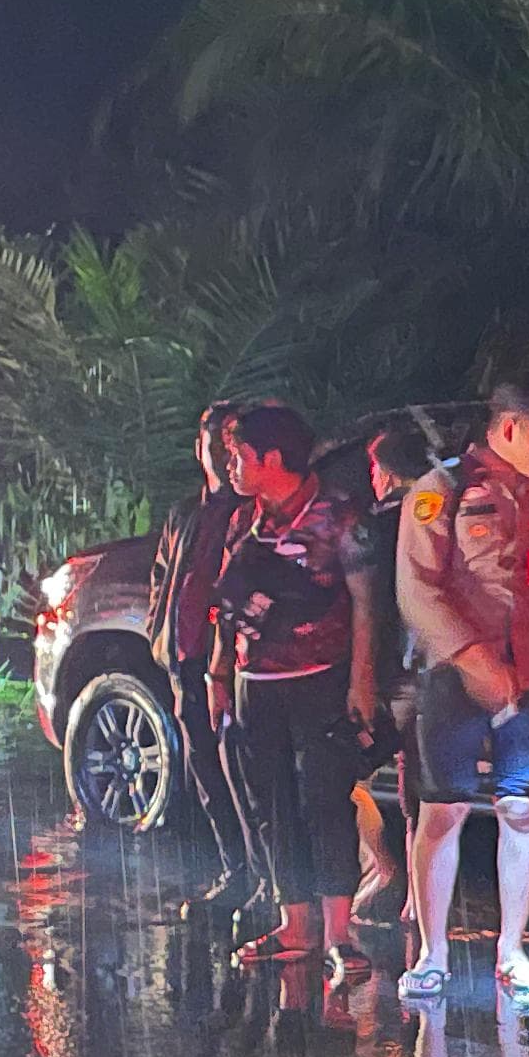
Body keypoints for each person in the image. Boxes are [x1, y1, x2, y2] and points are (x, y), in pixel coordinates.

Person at [393, 382, 529, 1003]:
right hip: (453, 676)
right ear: (507, 427)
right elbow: (418, 590)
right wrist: (472, 659)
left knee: (521, 809)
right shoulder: (442, 490)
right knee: (443, 810)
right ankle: (432, 953)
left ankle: (513, 951)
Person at [209, 403, 367, 984]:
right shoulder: (243, 521)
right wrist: (220, 675)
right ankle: (293, 925)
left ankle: (340, 936)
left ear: (270, 458)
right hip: (257, 684)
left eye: (238, 456)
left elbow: (367, 603)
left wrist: (363, 681)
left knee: (325, 801)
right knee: (270, 806)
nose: (230, 467)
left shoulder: (340, 516)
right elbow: (226, 608)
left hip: (321, 678)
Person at [151, 404, 250, 913]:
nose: (219, 453)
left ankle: (252, 873)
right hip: (183, 659)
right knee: (203, 767)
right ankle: (231, 866)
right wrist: (159, 632)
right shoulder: (186, 512)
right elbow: (164, 574)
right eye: (212, 442)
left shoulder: (247, 512)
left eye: (229, 442)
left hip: (228, 664)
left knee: (237, 768)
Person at [345, 425, 421, 941]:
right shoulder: (444, 515)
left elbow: (366, 603)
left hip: (388, 670)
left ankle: (379, 868)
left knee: (342, 774)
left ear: (386, 472)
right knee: (420, 790)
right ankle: (417, 899)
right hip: (432, 667)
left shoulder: (378, 526)